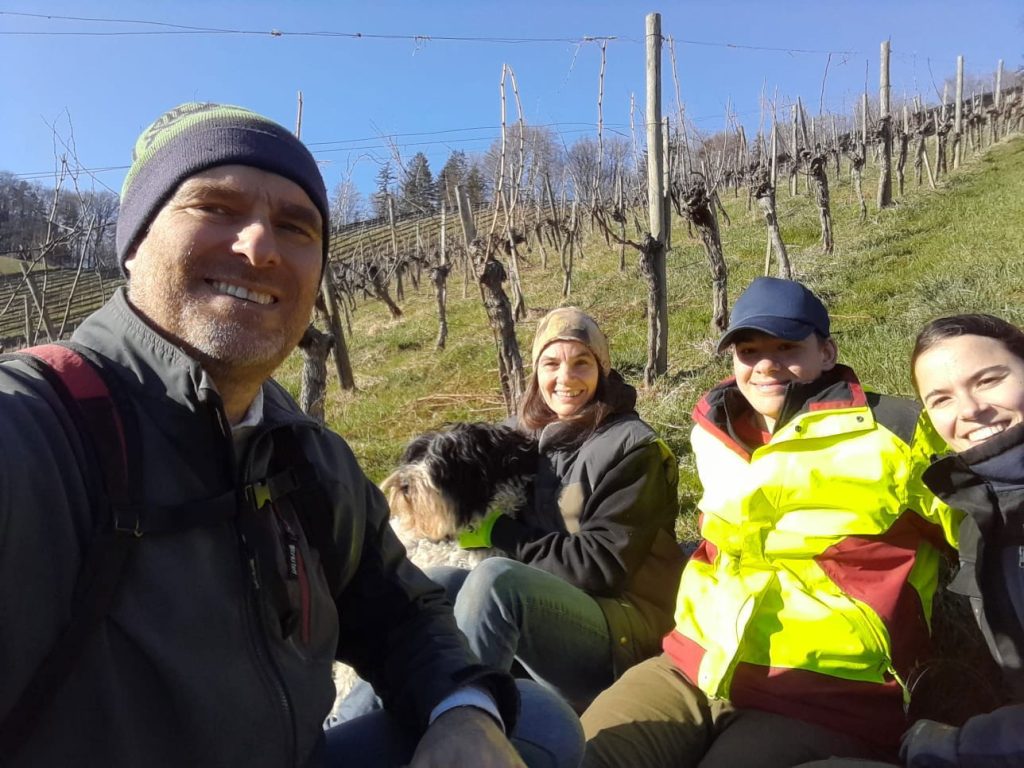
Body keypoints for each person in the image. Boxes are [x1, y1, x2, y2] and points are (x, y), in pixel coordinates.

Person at [0, 102, 583, 768]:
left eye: (295, 225)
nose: (259, 246)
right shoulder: (39, 434)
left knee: (531, 720)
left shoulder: (304, 456)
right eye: (214, 207)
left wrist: (464, 715)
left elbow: (399, 609)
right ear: (132, 244)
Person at [580, 277, 962, 768]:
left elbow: (981, 527)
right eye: (748, 349)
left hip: (825, 695)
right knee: (581, 753)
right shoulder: (712, 432)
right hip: (693, 664)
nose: (764, 364)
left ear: (827, 352)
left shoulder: (897, 433)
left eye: (786, 347)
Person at [340, 307, 685, 720]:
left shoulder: (631, 448)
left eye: (582, 363)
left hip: (624, 628)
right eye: (551, 364)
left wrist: (498, 531)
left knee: (495, 582)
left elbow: (601, 568)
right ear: (536, 372)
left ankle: (460, 732)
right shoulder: (528, 437)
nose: (566, 379)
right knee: (434, 584)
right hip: (554, 608)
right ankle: (348, 725)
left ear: (603, 370)